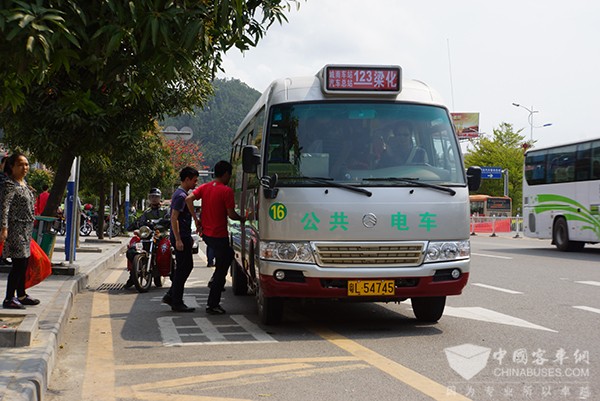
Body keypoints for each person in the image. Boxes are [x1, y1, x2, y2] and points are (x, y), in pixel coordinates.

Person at [185, 160, 244, 315]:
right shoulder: (226, 191)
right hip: (219, 234)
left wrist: (196, 219)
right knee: (222, 269)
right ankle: (212, 304)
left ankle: (214, 281)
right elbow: (231, 214)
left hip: (207, 235)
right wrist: (243, 218)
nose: (229, 178)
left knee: (228, 255)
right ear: (226, 174)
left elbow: (188, 199)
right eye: (229, 175)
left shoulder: (205, 187)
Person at [1, 153, 40, 309]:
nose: (25, 168)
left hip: (26, 229)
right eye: (20, 165)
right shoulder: (9, 185)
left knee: (24, 262)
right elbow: (4, 208)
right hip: (15, 229)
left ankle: (21, 295)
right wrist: (4, 228)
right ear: (12, 167)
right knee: (18, 263)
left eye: (26, 164)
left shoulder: (23, 184)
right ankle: (9, 298)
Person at [161, 167, 199, 312]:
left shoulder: (183, 195)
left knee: (185, 267)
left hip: (184, 236)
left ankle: (171, 295)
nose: (196, 183)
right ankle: (176, 301)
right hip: (181, 236)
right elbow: (174, 218)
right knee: (183, 268)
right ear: (187, 179)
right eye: (194, 180)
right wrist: (178, 239)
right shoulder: (180, 196)